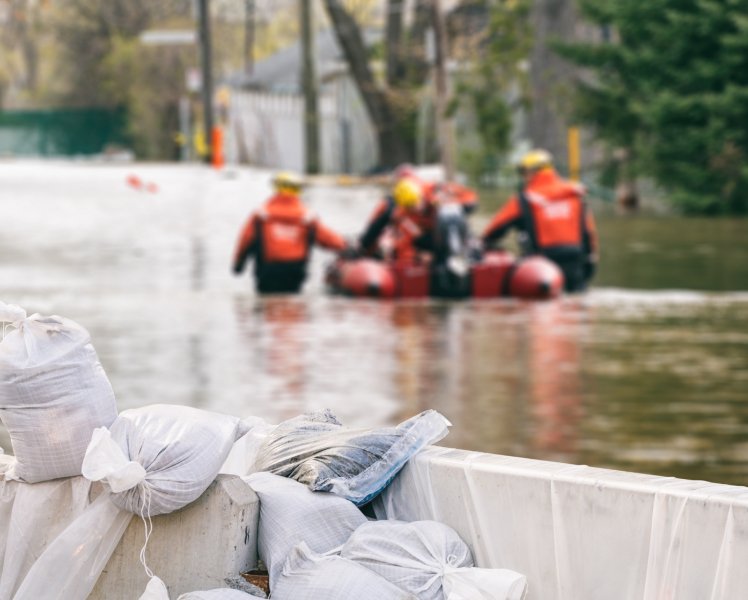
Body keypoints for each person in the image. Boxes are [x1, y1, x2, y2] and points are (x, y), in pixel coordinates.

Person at [481, 149, 599, 292]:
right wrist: (591, 259)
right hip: (576, 262)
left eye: (523, 172)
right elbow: (589, 232)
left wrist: (482, 243)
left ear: (532, 172)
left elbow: (495, 229)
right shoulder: (574, 194)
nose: (523, 177)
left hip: (541, 267)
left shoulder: (525, 199)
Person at [232, 171, 347, 293]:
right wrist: (346, 246)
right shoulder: (307, 217)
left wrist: (238, 265)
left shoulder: (261, 214)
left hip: (267, 272)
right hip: (295, 272)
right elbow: (328, 238)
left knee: (266, 305)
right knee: (293, 304)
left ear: (276, 188)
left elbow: (246, 240)